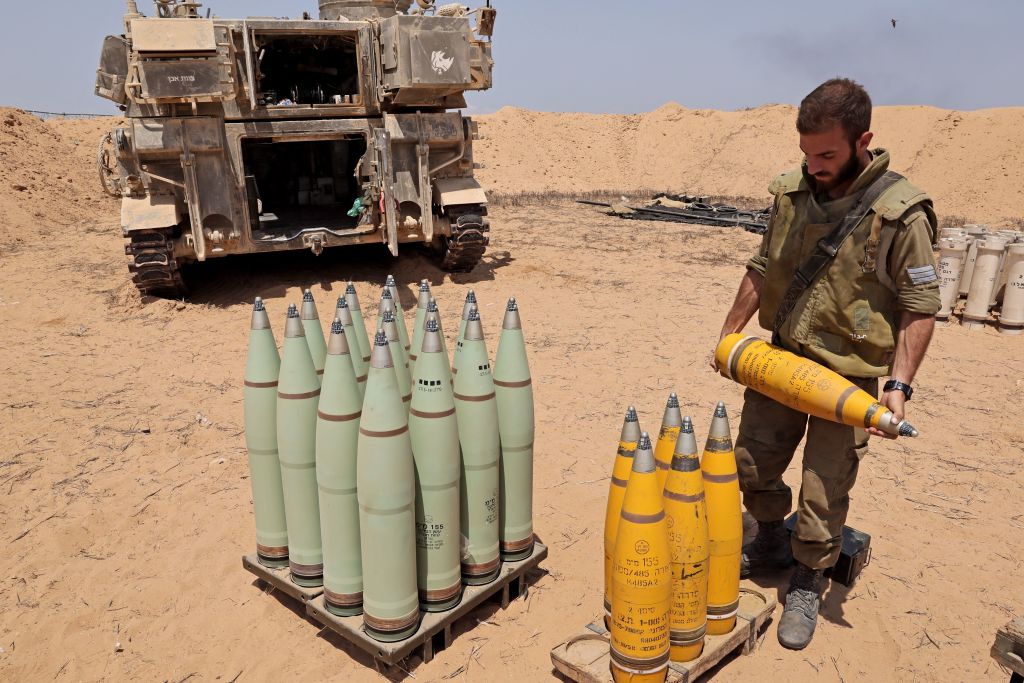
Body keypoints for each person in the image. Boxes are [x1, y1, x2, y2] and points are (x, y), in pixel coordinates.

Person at [714, 78, 939, 650]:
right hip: (782, 361)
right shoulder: (790, 193)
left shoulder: (900, 214)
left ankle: (809, 579)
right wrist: (731, 334)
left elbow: (920, 306)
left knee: (824, 485)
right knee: (753, 461)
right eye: (806, 154)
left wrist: (899, 386)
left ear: (864, 140)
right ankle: (767, 537)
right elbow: (763, 263)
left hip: (851, 375)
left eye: (828, 155)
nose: (814, 166)